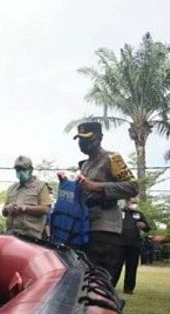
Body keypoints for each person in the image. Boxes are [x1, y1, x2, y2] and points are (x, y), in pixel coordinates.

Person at [70, 122, 139, 286]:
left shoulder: (112, 159)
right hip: (86, 226)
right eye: (80, 139)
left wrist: (96, 187)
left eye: (87, 138)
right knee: (83, 281)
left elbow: (133, 187)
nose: (82, 143)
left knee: (99, 282)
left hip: (105, 228)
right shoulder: (85, 165)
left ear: (99, 138)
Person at [3, 155, 52, 239]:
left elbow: (46, 209)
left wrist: (25, 208)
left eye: (23, 169)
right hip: (11, 234)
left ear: (31, 170)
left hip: (30, 237)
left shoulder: (41, 186)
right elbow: (4, 212)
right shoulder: (12, 188)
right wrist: (8, 208)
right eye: (18, 170)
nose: (20, 172)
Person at [113, 197, 151, 294]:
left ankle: (129, 288)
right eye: (132, 202)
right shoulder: (119, 212)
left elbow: (147, 228)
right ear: (126, 202)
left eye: (136, 202)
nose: (134, 204)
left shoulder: (139, 214)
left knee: (132, 267)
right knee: (116, 267)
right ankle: (111, 286)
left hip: (134, 245)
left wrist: (144, 226)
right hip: (119, 244)